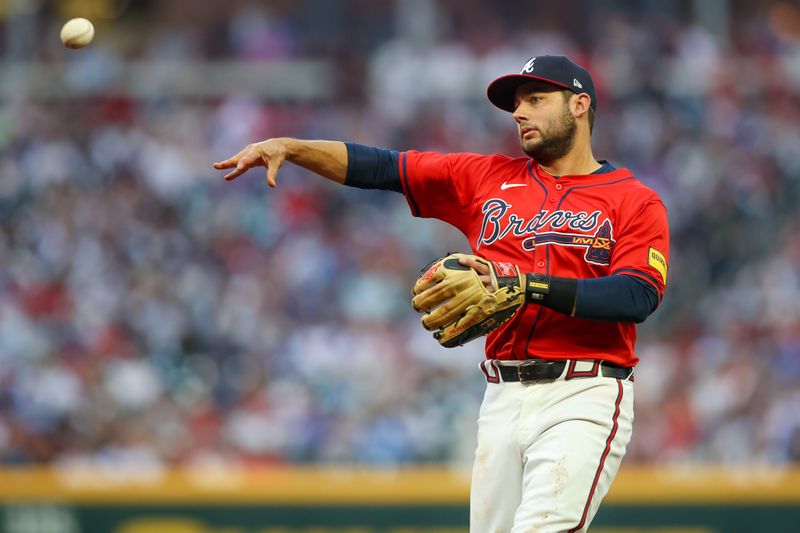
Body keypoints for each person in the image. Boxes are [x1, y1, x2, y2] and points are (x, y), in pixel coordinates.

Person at [213, 55, 669, 533]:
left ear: (579, 105)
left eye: (535, 100)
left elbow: (636, 295)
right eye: (516, 104)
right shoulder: (487, 178)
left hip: (584, 392)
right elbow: (384, 167)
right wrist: (292, 146)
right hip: (501, 395)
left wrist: (527, 286)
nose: (519, 113)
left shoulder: (633, 200)